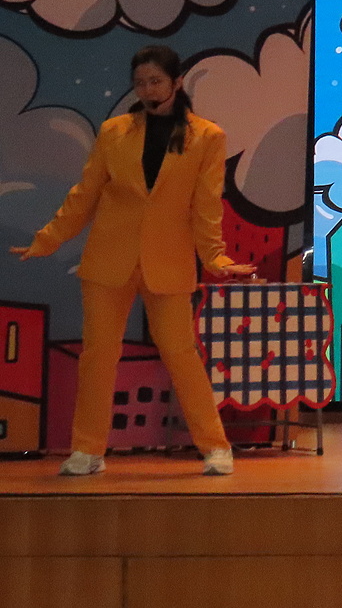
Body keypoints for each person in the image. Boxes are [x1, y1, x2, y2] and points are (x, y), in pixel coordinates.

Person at [11, 45, 255, 476]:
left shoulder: (207, 137)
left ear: (176, 82)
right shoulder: (114, 132)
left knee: (180, 353)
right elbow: (84, 194)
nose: (147, 89)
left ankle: (215, 446)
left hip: (168, 262)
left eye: (155, 81)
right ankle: (87, 451)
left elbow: (206, 205)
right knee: (98, 356)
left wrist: (214, 255)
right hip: (109, 260)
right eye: (140, 82)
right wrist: (48, 239)